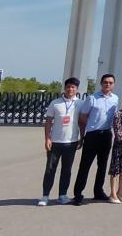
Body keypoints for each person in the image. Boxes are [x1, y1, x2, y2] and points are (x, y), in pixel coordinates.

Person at [72, 73, 119, 206]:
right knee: (85, 165)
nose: (107, 84)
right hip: (93, 134)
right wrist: (84, 134)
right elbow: (83, 117)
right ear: (101, 83)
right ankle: (78, 194)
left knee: (102, 165)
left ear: (113, 84)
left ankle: (98, 191)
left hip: (106, 134)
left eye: (110, 82)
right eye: (105, 82)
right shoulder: (92, 98)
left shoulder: (115, 98)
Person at [38, 77, 83, 206]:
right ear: (65, 88)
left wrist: (82, 137)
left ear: (77, 89)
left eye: (73, 87)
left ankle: (62, 195)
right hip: (55, 141)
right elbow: (48, 121)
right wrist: (47, 138)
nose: (70, 89)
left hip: (71, 141)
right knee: (50, 169)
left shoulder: (80, 103)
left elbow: (82, 122)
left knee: (66, 170)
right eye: (68, 87)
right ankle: (45, 196)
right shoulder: (55, 103)